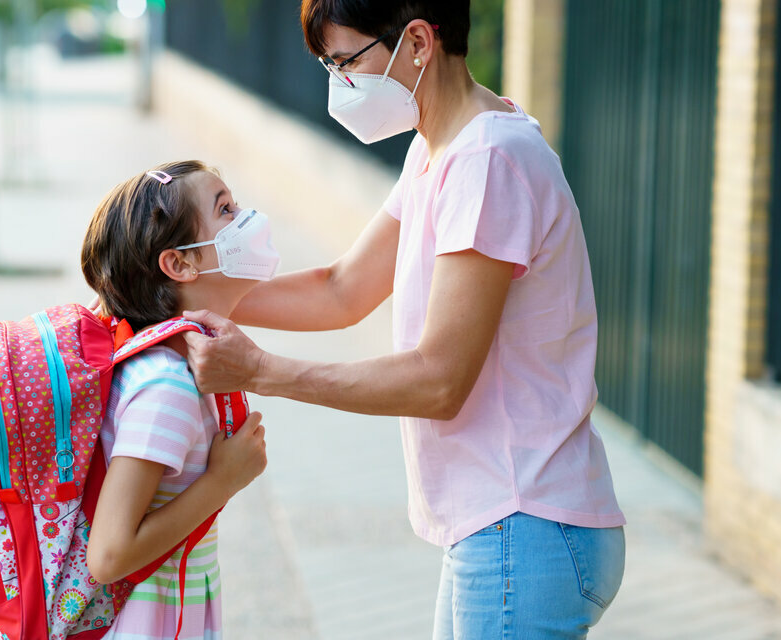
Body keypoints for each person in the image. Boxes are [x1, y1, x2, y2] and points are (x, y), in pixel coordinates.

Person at [180, 2, 626, 638]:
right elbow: (341, 290)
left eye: (345, 62)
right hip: (502, 526)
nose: (338, 84)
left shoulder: (487, 162)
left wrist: (260, 371)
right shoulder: (439, 145)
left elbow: (438, 381)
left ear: (417, 40)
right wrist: (192, 297)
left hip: (522, 524)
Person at [81, 160, 272, 640]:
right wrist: (222, 480)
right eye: (226, 209)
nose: (247, 218)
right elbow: (109, 555)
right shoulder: (167, 388)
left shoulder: (173, 366)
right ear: (180, 263)